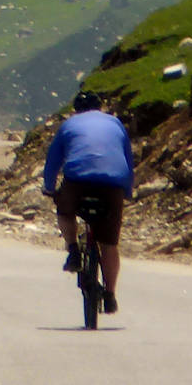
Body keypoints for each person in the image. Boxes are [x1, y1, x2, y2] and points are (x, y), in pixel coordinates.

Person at [42, 88, 134, 314]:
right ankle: (110, 295)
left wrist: (49, 188)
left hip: (78, 180)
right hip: (113, 184)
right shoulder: (115, 123)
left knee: (65, 210)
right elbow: (127, 159)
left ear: (76, 110)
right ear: (100, 107)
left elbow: (53, 161)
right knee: (109, 243)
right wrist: (127, 191)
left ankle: (73, 250)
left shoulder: (69, 125)